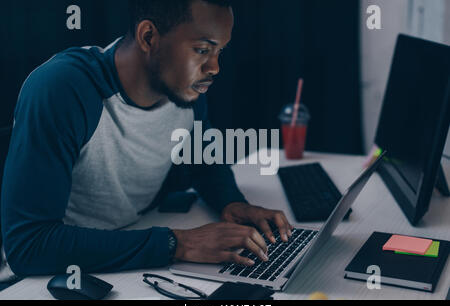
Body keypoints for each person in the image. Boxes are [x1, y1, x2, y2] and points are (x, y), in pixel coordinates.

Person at [0, 0, 293, 278]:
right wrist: (177, 243)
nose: (214, 67)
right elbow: (29, 245)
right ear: (149, 36)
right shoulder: (63, 88)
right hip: (45, 277)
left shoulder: (183, 86)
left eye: (220, 52)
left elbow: (203, 162)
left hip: (132, 244)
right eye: (202, 50)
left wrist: (232, 202)